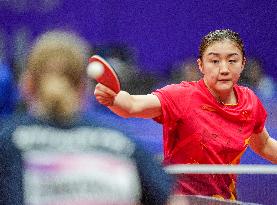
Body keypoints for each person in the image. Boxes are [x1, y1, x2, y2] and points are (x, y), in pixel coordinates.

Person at [94, 29, 277, 200]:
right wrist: (113, 99)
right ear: (201, 65)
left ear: (243, 63)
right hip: (181, 200)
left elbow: (264, 145)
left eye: (232, 60)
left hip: (224, 201)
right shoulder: (181, 95)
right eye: (214, 61)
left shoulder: (249, 102)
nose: (224, 69)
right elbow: (132, 105)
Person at [0, 30, 172, 205]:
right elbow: (173, 200)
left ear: (27, 85)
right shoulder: (122, 144)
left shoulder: (6, 142)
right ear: (84, 87)